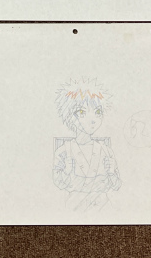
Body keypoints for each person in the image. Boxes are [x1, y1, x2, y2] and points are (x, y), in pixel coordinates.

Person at [53, 79, 121, 211]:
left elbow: (117, 185)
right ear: (70, 117)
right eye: (81, 112)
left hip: (104, 209)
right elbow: (57, 182)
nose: (92, 119)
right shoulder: (63, 151)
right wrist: (67, 172)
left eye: (98, 112)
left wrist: (111, 172)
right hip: (73, 209)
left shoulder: (106, 150)